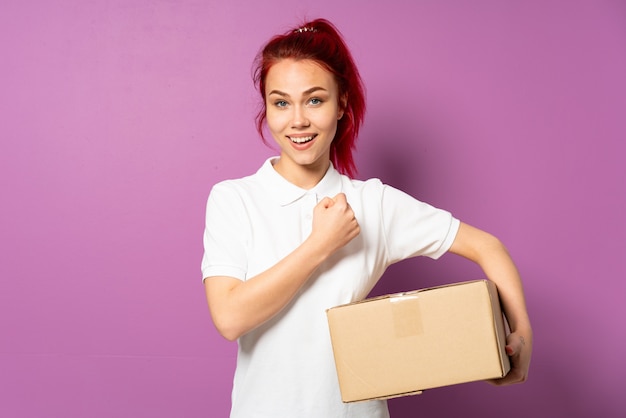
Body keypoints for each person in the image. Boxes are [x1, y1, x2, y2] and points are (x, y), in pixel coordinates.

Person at [201, 18, 532, 418]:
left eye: (315, 100)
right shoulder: (235, 199)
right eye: (281, 102)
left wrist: (522, 334)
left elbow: (487, 247)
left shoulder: (372, 203)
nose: (298, 121)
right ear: (268, 107)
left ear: (341, 104)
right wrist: (319, 245)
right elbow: (230, 318)